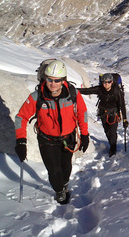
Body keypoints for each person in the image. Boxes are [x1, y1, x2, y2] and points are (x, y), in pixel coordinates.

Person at [14, 60, 90, 204]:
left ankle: (65, 184)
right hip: (47, 140)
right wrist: (21, 141)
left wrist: (84, 134)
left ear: (63, 80)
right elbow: (21, 117)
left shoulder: (72, 94)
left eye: (57, 80)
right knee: (54, 171)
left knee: (66, 167)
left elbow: (82, 113)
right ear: (45, 78)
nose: (53, 84)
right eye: (49, 79)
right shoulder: (37, 97)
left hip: (68, 138)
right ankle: (60, 191)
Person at [78, 73, 128, 157]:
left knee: (112, 131)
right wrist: (73, 89)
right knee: (107, 131)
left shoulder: (117, 91)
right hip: (103, 114)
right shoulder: (100, 89)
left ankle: (113, 147)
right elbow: (87, 91)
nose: (106, 84)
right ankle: (112, 143)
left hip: (113, 114)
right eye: (104, 82)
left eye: (108, 82)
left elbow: (122, 105)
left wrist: (125, 119)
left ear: (112, 82)